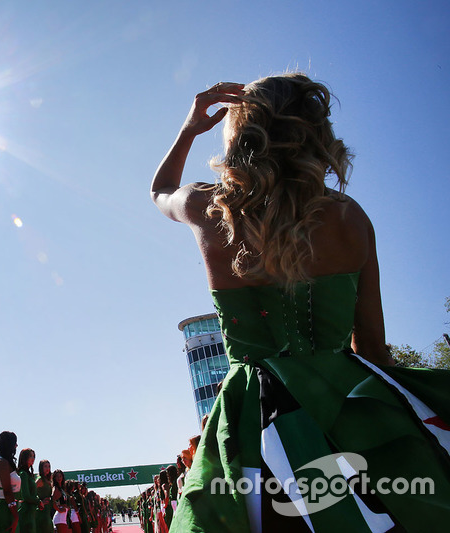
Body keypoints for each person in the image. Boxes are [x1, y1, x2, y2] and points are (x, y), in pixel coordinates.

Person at [151, 74, 450, 531]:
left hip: (253, 417)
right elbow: (373, 349)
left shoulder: (209, 208)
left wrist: (190, 128)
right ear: (313, 131)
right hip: (345, 408)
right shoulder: (350, 219)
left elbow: (159, 191)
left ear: (240, 131)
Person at [0, 431, 21, 533]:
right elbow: (7, 492)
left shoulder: (4, 461)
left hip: (9, 509)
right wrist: (16, 516)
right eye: (15, 443)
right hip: (5, 510)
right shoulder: (2, 462)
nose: (16, 445)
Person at [17, 448, 40, 533]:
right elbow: (26, 496)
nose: (33, 458)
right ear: (24, 457)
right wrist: (39, 501)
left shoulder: (29, 474)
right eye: (30, 456)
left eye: (34, 456)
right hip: (26, 512)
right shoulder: (23, 474)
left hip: (31, 512)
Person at [35, 459, 55, 533]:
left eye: (49, 466)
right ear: (41, 468)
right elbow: (31, 492)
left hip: (48, 510)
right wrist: (41, 502)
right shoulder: (40, 480)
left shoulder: (49, 480)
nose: (47, 468)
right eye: (45, 466)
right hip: (41, 510)